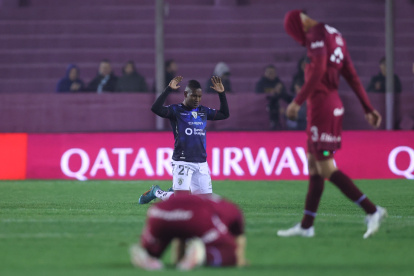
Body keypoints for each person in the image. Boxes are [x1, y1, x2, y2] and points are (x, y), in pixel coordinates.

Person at [279, 10, 387, 239]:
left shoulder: (316, 33)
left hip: (323, 106)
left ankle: (373, 210)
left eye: (297, 33)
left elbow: (317, 69)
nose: (301, 39)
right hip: (324, 104)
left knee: (326, 167)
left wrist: (297, 101)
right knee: (313, 166)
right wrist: (367, 107)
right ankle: (307, 226)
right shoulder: (335, 35)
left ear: (300, 23)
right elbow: (351, 74)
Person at [138, 76, 229, 203]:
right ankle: (156, 192)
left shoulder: (203, 111)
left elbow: (225, 114)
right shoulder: (176, 110)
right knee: (181, 201)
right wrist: (168, 89)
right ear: (186, 94)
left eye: (199, 96)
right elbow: (155, 108)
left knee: (205, 202)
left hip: (201, 162)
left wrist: (221, 94)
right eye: (194, 96)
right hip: (182, 161)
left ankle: (167, 192)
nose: (197, 99)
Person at [130, 194, 247, 270]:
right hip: (195, 214)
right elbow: (238, 243)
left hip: (158, 211)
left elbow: (181, 234)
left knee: (166, 235)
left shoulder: (215, 204)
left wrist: (179, 260)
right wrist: (239, 259)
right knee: (228, 253)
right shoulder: (234, 212)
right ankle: (203, 256)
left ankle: (149, 256)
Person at [255, 65, 292, 130]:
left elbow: (285, 96)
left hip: (278, 107)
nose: (271, 74)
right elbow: (258, 96)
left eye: (273, 72)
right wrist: (273, 91)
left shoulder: (279, 83)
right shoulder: (261, 83)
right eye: (269, 72)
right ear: (265, 73)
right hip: (264, 107)